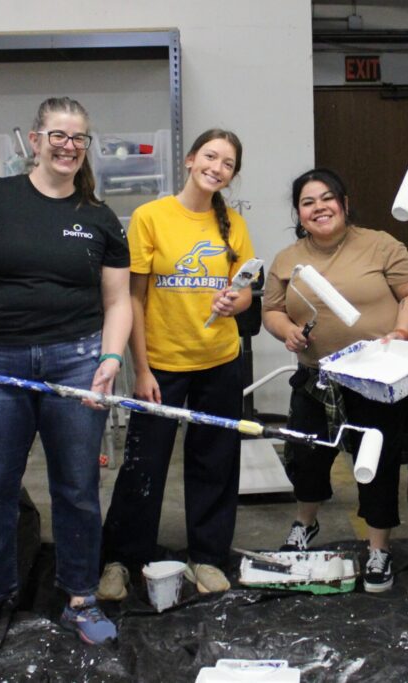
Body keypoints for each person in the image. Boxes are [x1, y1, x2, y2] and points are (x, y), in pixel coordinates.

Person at [0, 96, 131, 649]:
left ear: (87, 147)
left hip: (76, 359)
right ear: (36, 140)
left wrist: (110, 359)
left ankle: (81, 596)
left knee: (78, 486)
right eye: (58, 135)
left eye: (79, 138)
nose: (68, 146)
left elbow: (118, 302)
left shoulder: (98, 217)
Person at [99, 129, 255, 597]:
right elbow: (135, 298)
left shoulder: (234, 224)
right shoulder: (151, 217)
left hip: (221, 362)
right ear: (190, 160)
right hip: (162, 365)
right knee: (144, 464)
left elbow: (247, 288)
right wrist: (142, 371)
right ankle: (121, 558)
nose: (217, 167)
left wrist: (236, 303)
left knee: (216, 464)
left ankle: (207, 556)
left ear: (232, 174)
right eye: (210, 156)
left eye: (228, 163)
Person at [262, 168, 408, 593]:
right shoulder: (287, 259)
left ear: (344, 203)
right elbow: (272, 310)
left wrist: (403, 332)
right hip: (315, 377)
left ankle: (378, 548)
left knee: (377, 463)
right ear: (298, 214)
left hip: (374, 378)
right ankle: (305, 524)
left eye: (326, 198)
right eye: (307, 202)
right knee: (306, 458)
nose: (318, 208)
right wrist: (287, 331)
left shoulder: (381, 245)